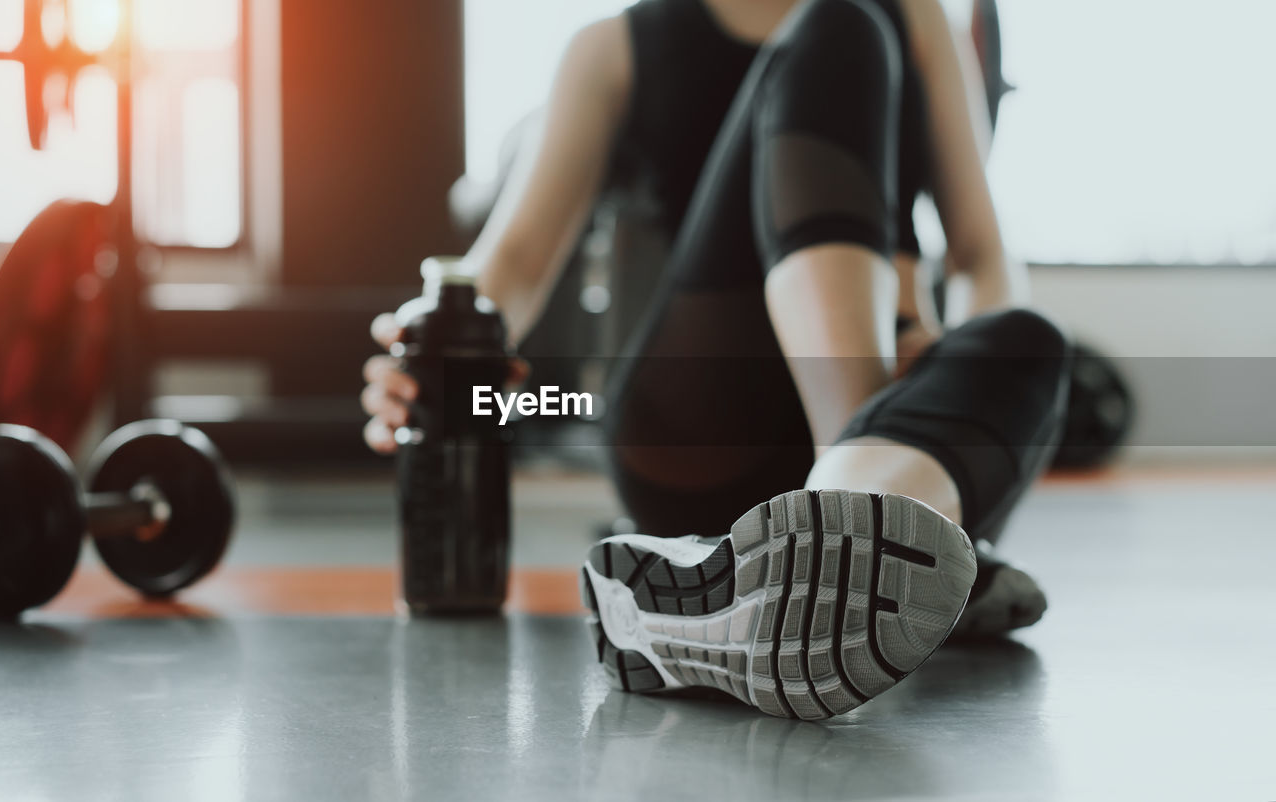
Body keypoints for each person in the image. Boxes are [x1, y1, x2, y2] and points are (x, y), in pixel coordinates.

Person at [362, 0, 1070, 720]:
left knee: (1023, 337)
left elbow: (981, 254)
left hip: (893, 397)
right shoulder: (612, 46)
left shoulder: (919, 16)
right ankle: (868, 533)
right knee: (841, 23)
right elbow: (510, 266)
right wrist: (424, 358)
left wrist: (946, 346)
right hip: (705, 426)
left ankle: (799, 557)